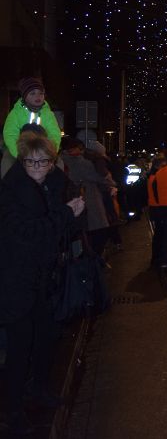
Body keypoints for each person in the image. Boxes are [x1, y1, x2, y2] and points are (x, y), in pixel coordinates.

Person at [0, 132, 86, 434]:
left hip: (41, 279)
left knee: (45, 338)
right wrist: (66, 213)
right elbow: (29, 234)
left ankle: (38, 390)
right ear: (22, 161)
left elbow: (61, 231)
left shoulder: (50, 185)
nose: (37, 167)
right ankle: (12, 411)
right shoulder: (12, 190)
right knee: (19, 347)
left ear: (52, 163)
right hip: (14, 281)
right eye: (31, 162)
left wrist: (73, 213)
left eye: (43, 161)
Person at [61, 138, 116, 258]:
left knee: (83, 234)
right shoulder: (79, 162)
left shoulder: (63, 160)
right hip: (88, 199)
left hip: (75, 200)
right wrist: (110, 179)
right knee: (98, 232)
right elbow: (100, 177)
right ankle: (92, 262)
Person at [2, 77, 62, 179]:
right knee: (7, 162)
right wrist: (19, 154)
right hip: (21, 148)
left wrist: (51, 151)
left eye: (40, 93)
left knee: (60, 163)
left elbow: (54, 134)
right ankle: (5, 188)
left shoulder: (48, 114)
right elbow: (10, 134)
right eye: (32, 93)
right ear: (25, 96)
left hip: (42, 148)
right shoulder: (16, 113)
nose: (37, 96)